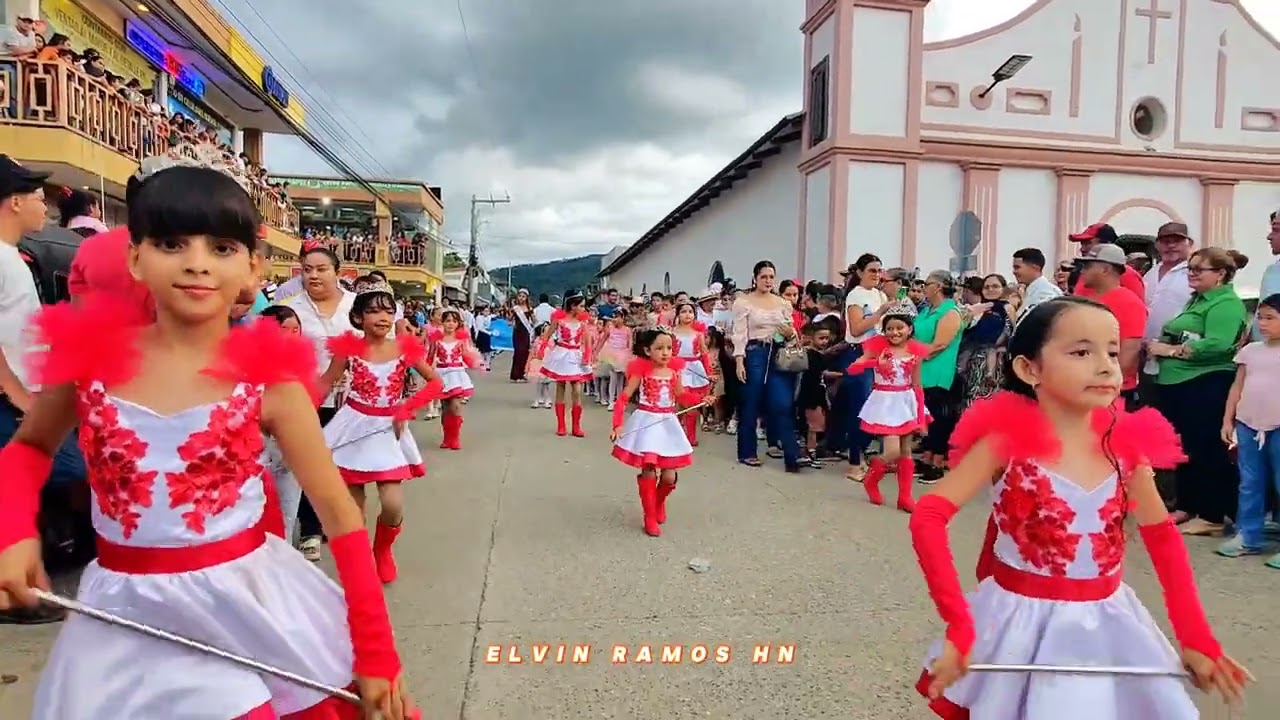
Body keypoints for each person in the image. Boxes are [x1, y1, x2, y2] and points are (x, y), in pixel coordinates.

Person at [0, 166, 418, 718]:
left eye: (220, 246)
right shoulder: (90, 364)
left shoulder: (269, 381)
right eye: (171, 243)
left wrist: (376, 651)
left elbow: (340, 516)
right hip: (122, 609)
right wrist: (12, 532)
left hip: (242, 605)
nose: (196, 261)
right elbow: (27, 451)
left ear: (252, 267)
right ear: (135, 257)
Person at [909, 297, 1249, 719]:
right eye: (1081, 352)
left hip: (1107, 622)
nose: (1107, 365)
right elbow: (928, 516)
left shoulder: (1125, 448)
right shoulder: (1005, 444)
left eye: (1111, 349)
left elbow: (1163, 540)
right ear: (1028, 368)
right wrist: (959, 624)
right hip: (1018, 621)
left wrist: (1196, 638)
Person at [319, 281, 444, 585]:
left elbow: (435, 383)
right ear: (359, 317)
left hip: (387, 429)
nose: (383, 317)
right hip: (352, 426)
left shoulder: (404, 349)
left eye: (388, 310)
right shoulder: (348, 350)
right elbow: (324, 384)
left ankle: (383, 549)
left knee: (392, 504)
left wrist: (406, 407)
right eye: (373, 311)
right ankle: (359, 565)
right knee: (353, 509)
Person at [1149, 248, 1250, 536]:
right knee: (1186, 447)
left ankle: (1211, 514)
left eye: (1198, 269)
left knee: (1206, 448)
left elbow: (1219, 343)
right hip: (1179, 383)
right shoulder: (1197, 300)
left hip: (1204, 382)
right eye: (1190, 268)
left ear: (1220, 274)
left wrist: (1170, 349)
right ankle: (1188, 504)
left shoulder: (1225, 304)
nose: (1191, 273)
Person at [281, 243, 357, 561]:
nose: (313, 275)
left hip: (353, 397)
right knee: (307, 463)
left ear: (337, 273)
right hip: (305, 395)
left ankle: (334, 521)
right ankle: (309, 529)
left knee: (339, 463)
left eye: (321, 269)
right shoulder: (288, 306)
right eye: (307, 269)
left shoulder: (356, 306)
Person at [610, 328, 703, 537]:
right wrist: (617, 424)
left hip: (667, 423)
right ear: (647, 350)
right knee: (649, 467)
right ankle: (649, 515)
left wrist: (700, 400)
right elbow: (623, 398)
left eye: (669, 348)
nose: (665, 353)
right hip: (646, 421)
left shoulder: (674, 373)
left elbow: (681, 396)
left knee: (669, 476)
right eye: (659, 348)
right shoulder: (641, 372)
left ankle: (658, 502)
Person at [1217, 293, 1280, 564]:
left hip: (1278, 426)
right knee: (1250, 483)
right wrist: (1227, 420)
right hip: (1248, 424)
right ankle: (1248, 535)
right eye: (1260, 317)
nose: (1262, 323)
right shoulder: (1250, 351)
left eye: (1270, 318)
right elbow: (1237, 386)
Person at [849, 311, 930, 512]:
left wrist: (920, 417)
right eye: (890, 329)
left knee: (906, 451)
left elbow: (918, 385)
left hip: (906, 400)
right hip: (884, 401)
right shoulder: (877, 348)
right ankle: (872, 478)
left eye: (899, 328)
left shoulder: (915, 351)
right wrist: (876, 363)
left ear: (909, 329)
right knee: (892, 450)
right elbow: (852, 369)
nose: (894, 332)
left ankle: (905, 497)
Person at [731, 261, 802, 472]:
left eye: (771, 277)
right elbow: (740, 333)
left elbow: (792, 332)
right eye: (764, 277)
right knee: (751, 403)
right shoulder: (744, 302)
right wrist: (739, 360)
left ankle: (793, 455)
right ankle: (747, 452)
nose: (768, 281)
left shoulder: (782, 303)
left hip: (779, 354)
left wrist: (791, 334)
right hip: (754, 353)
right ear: (755, 278)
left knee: (782, 402)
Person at [1075, 244, 1148, 406]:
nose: (1082, 271)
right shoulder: (1086, 299)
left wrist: (1100, 383)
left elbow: (1129, 354)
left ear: (1105, 269)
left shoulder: (1129, 303)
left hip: (1112, 391)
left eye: (1087, 266)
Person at [838, 255, 888, 479]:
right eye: (871, 271)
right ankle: (854, 461)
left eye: (879, 271)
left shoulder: (880, 294)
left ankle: (861, 453)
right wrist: (879, 313)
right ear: (860, 272)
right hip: (859, 352)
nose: (876, 275)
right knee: (860, 409)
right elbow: (857, 328)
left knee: (875, 410)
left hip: (878, 354)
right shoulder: (855, 295)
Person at [915, 271, 965, 482]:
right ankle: (926, 457)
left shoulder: (949, 312)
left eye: (927, 284)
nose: (923, 288)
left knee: (939, 417)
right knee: (926, 416)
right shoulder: (927, 311)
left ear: (939, 287)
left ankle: (936, 461)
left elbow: (940, 344)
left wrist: (917, 357)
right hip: (921, 371)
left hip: (938, 370)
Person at [539, 290, 595, 437]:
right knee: (561, 387)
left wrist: (587, 355)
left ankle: (576, 426)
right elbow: (548, 333)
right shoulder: (559, 319)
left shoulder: (582, 321)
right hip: (561, 354)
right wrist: (541, 348)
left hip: (575, 356)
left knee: (577, 390)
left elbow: (588, 339)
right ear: (572, 305)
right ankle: (561, 425)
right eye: (581, 306)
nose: (584, 309)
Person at [431, 308, 483, 449]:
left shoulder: (461, 341)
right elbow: (430, 358)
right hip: (441, 373)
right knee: (445, 407)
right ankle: (447, 437)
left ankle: (455, 437)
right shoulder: (436, 341)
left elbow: (468, 354)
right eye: (447, 321)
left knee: (455, 405)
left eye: (454, 321)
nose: (450, 324)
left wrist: (477, 363)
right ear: (442, 323)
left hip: (457, 374)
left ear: (458, 324)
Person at [797, 316, 842, 469]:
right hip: (811, 395)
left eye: (826, 338)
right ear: (811, 338)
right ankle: (809, 452)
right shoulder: (811, 355)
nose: (824, 341)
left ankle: (810, 451)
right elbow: (821, 371)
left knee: (815, 426)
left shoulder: (815, 354)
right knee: (813, 426)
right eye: (821, 338)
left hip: (816, 394)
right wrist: (841, 374)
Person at [670, 301, 712, 446]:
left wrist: (708, 372)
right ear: (678, 315)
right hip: (678, 369)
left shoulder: (698, 334)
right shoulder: (672, 333)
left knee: (692, 404)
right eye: (683, 311)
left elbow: (704, 353)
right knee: (679, 403)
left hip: (694, 369)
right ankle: (676, 433)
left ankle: (691, 436)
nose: (687, 315)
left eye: (690, 312)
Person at [1010, 247, 1061, 322]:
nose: (1014, 272)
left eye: (1017, 267)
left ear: (1035, 268)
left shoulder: (1046, 293)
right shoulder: (1030, 291)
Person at [596, 313, 633, 410]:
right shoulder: (610, 329)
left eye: (617, 317)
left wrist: (628, 355)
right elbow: (602, 341)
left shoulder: (628, 330)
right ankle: (611, 400)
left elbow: (630, 343)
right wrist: (596, 352)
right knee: (613, 378)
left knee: (621, 380)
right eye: (613, 317)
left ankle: (620, 401)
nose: (615, 319)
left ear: (623, 318)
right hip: (612, 354)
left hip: (623, 355)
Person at [509, 289, 535, 382]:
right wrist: (511, 314)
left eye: (523, 296)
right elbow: (509, 320)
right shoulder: (515, 309)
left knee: (525, 353)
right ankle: (515, 375)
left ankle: (523, 373)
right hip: (517, 333)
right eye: (520, 296)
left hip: (526, 333)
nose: (521, 298)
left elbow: (534, 321)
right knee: (518, 352)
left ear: (527, 298)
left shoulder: (530, 309)